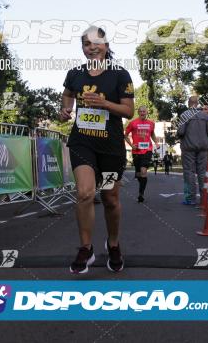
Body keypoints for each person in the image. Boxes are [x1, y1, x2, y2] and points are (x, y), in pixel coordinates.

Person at [59, 26, 134, 274]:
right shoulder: (75, 74)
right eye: (85, 44)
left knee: (110, 199)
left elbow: (128, 111)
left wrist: (104, 103)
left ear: (106, 44)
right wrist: (65, 109)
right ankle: (86, 247)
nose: (91, 47)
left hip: (111, 146)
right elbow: (67, 94)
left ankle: (113, 244)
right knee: (85, 193)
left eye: (95, 43)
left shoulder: (120, 75)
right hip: (82, 141)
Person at [177, 95, 208, 206]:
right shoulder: (205, 115)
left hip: (188, 148)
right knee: (202, 173)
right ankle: (204, 198)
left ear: (189, 103)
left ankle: (190, 199)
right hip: (203, 148)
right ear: (197, 103)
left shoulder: (185, 115)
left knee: (189, 172)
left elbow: (181, 132)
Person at [124, 105, 158, 203]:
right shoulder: (133, 123)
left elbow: (152, 134)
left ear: (147, 112)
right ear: (138, 112)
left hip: (147, 150)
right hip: (136, 151)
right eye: (141, 111)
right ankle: (140, 180)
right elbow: (125, 135)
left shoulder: (151, 123)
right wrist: (131, 145)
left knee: (143, 171)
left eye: (144, 111)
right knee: (139, 173)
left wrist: (156, 143)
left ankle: (141, 194)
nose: (142, 113)